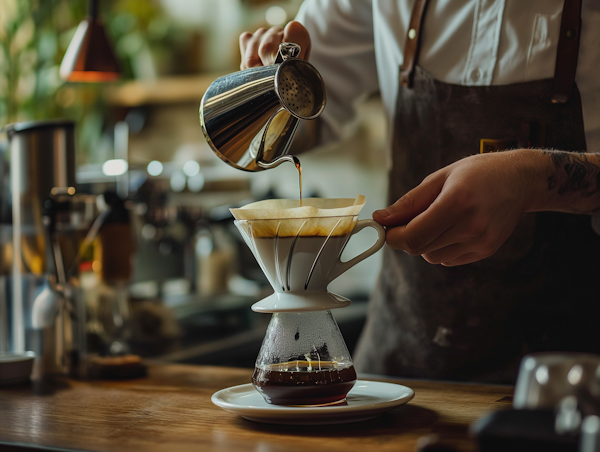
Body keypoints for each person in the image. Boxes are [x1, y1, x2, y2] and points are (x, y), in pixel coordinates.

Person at [239, 0, 600, 383]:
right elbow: (305, 122)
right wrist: (266, 92)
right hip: (403, 355)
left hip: (571, 375)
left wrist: (533, 179)